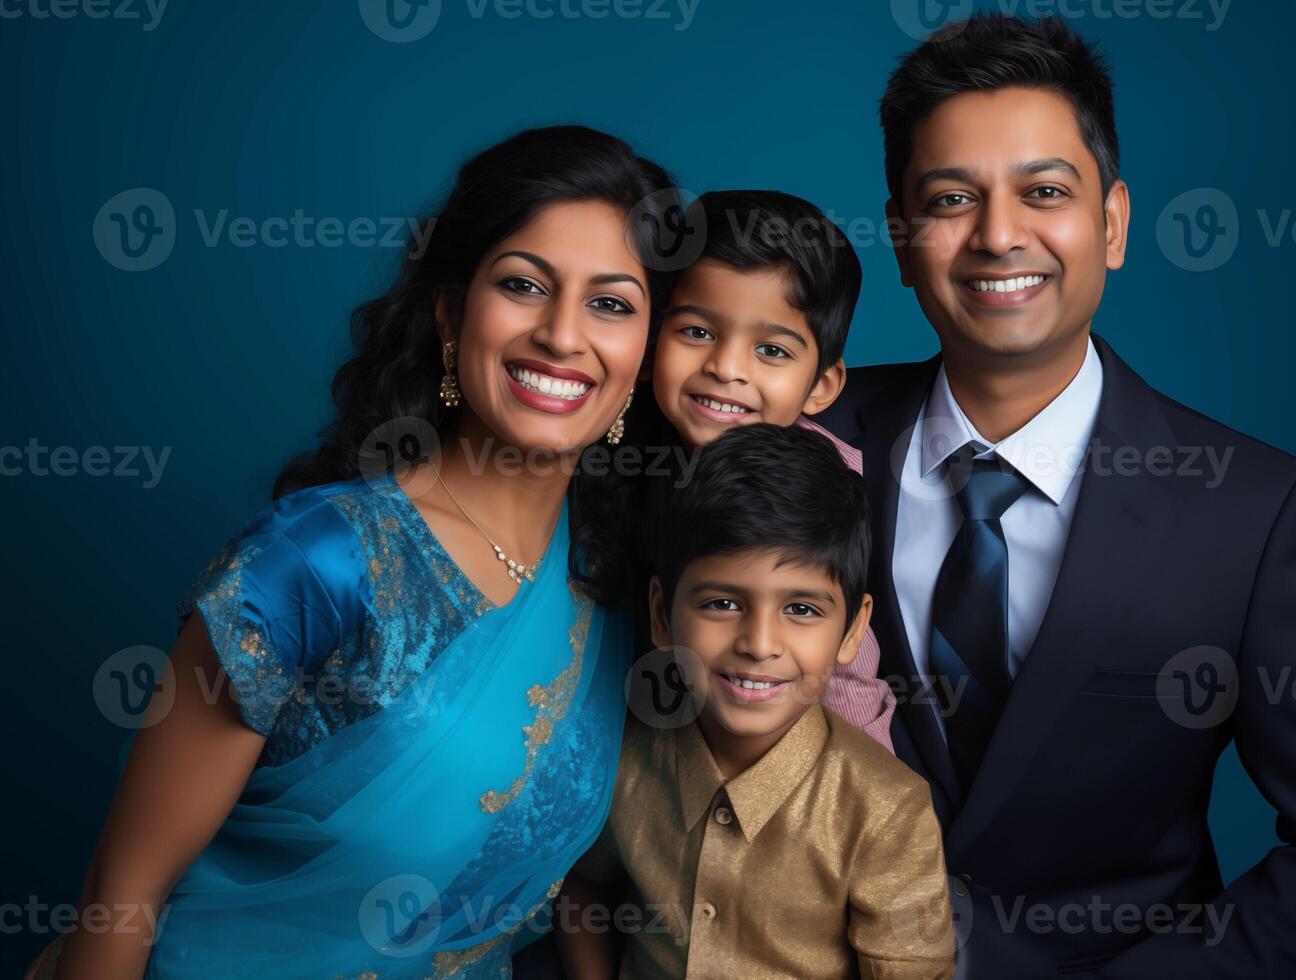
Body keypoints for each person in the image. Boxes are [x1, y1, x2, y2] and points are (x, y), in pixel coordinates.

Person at [816, 13, 1296, 978]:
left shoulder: (1251, 513)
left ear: (1111, 224)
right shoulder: (796, 440)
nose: (997, 235)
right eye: (951, 198)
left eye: (1045, 191)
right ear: (901, 239)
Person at [34, 125, 678, 980]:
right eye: (523, 285)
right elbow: (122, 896)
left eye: (611, 303)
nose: (563, 336)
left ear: (645, 352)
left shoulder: (617, 592)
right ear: (452, 314)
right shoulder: (316, 563)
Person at [556, 424, 954, 980]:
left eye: (802, 610)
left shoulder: (888, 813)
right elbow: (583, 886)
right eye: (722, 603)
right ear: (662, 615)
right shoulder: (622, 761)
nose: (759, 644)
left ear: (853, 631)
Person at [640, 188, 896, 751]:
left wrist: (868, 793)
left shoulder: (823, 490)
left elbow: (849, 674)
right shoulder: (621, 448)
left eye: (772, 351)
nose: (726, 368)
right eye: (698, 332)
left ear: (822, 385)